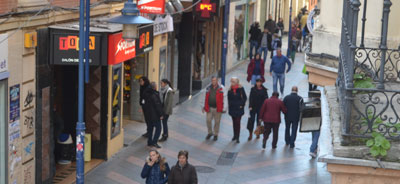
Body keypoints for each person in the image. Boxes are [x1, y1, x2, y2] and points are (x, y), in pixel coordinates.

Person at [142, 79, 164, 148]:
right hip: (154, 116)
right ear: (155, 87)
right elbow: (157, 106)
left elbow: (143, 103)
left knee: (150, 129)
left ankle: (149, 142)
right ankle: (154, 142)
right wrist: (161, 114)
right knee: (158, 129)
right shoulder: (154, 95)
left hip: (148, 115)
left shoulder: (146, 93)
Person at [202, 77, 224, 141]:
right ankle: (210, 133)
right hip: (209, 108)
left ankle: (215, 134)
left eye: (214, 80)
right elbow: (204, 97)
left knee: (217, 122)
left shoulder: (221, 88)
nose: (213, 81)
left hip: (218, 108)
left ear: (217, 81)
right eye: (212, 80)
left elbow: (224, 98)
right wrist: (203, 107)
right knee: (208, 120)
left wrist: (224, 108)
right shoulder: (208, 88)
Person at [227, 77, 247, 143]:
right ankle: (234, 135)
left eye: (233, 81)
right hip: (232, 108)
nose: (232, 82)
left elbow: (245, 97)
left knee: (238, 122)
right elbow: (229, 99)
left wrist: (242, 105)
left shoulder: (241, 89)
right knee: (234, 123)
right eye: (231, 81)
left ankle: (237, 137)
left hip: (239, 108)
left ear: (236, 82)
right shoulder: (230, 90)